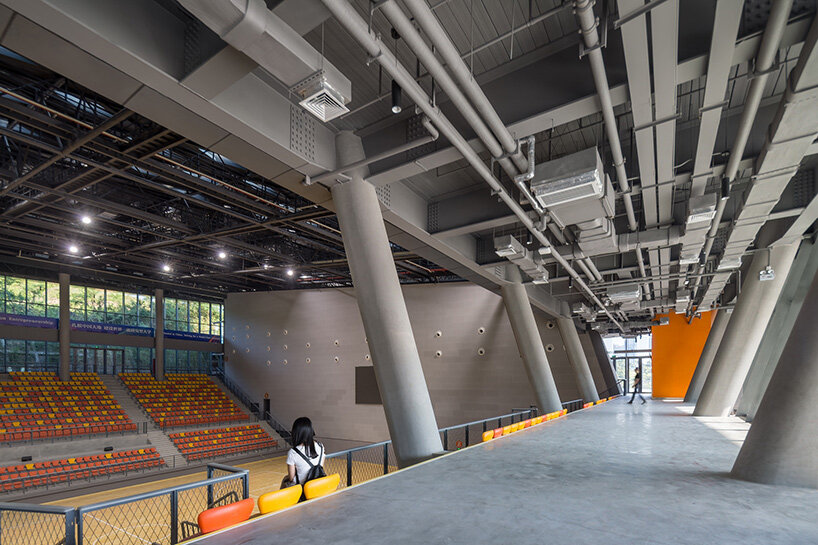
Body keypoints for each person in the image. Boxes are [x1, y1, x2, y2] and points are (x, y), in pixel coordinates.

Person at [281, 416, 325, 489]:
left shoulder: (293, 453)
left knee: (285, 479)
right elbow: (320, 467)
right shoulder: (320, 446)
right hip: (318, 484)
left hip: (303, 487)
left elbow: (291, 478)